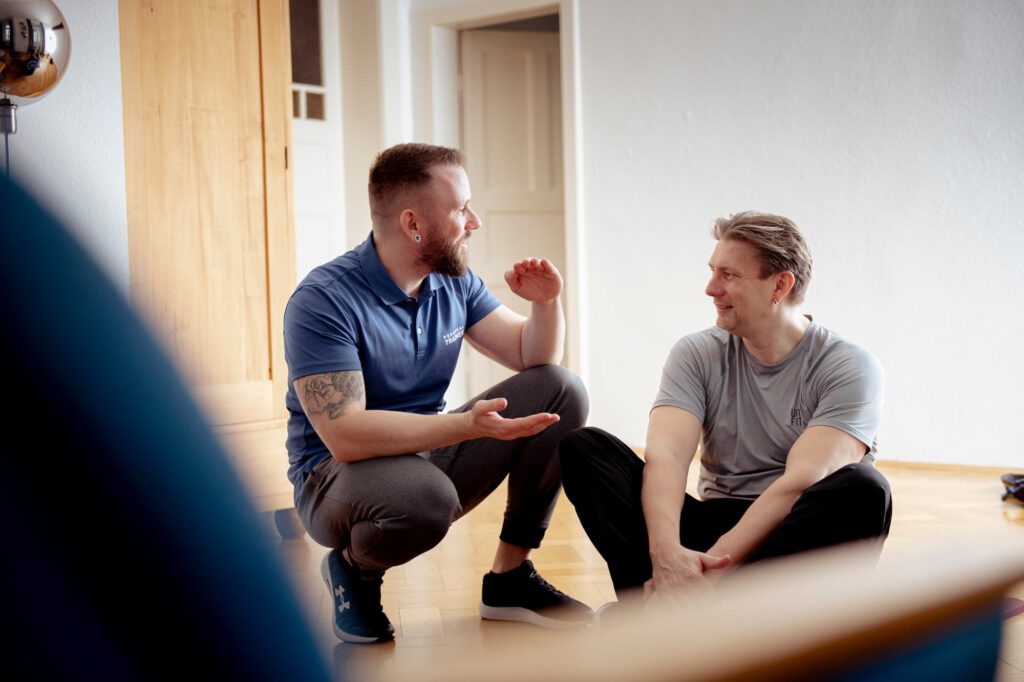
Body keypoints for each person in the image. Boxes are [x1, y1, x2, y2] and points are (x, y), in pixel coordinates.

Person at [283, 143, 592, 643]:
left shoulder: (454, 283)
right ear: (413, 224)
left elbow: (532, 358)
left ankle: (510, 579)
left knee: (561, 390)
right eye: (460, 209)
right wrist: (464, 426)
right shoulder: (323, 301)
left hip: (423, 452)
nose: (475, 221)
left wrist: (546, 305)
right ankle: (352, 568)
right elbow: (346, 436)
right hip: (334, 478)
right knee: (425, 500)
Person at [559, 211, 892, 606]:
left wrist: (711, 572)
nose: (710, 288)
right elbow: (666, 457)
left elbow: (800, 482)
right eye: (712, 271)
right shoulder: (696, 353)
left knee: (866, 490)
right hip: (712, 521)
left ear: (780, 285)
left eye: (729, 276)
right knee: (585, 448)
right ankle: (681, 614)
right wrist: (667, 558)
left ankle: (685, 616)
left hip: (790, 531)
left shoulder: (849, 366)